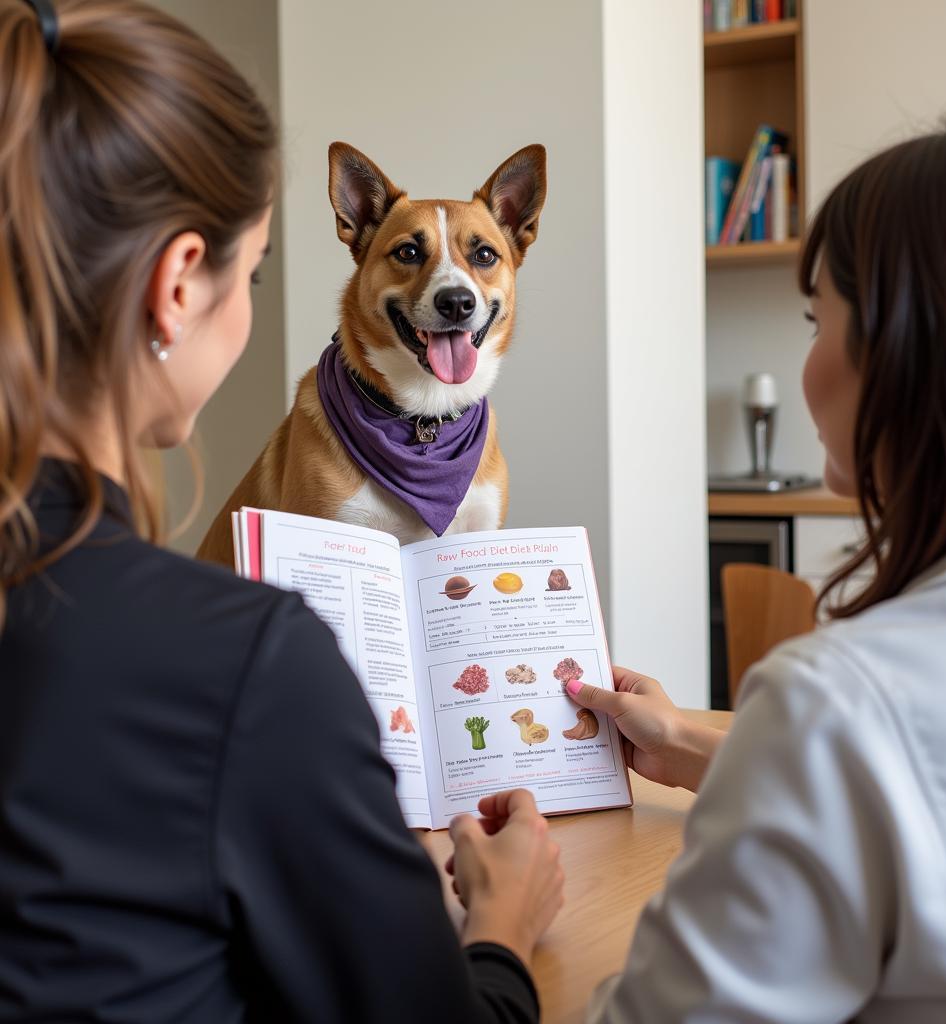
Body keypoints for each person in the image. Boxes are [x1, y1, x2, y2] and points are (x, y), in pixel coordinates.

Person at [0, 1, 562, 1020]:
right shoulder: (256, 663)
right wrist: (507, 922)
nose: (453, 286)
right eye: (251, 270)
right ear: (179, 286)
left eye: (480, 261)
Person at [569, 119, 946, 1022]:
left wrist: (495, 938)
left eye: (819, 321)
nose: (806, 362)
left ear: (905, 350)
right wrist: (689, 742)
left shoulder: (838, 698)